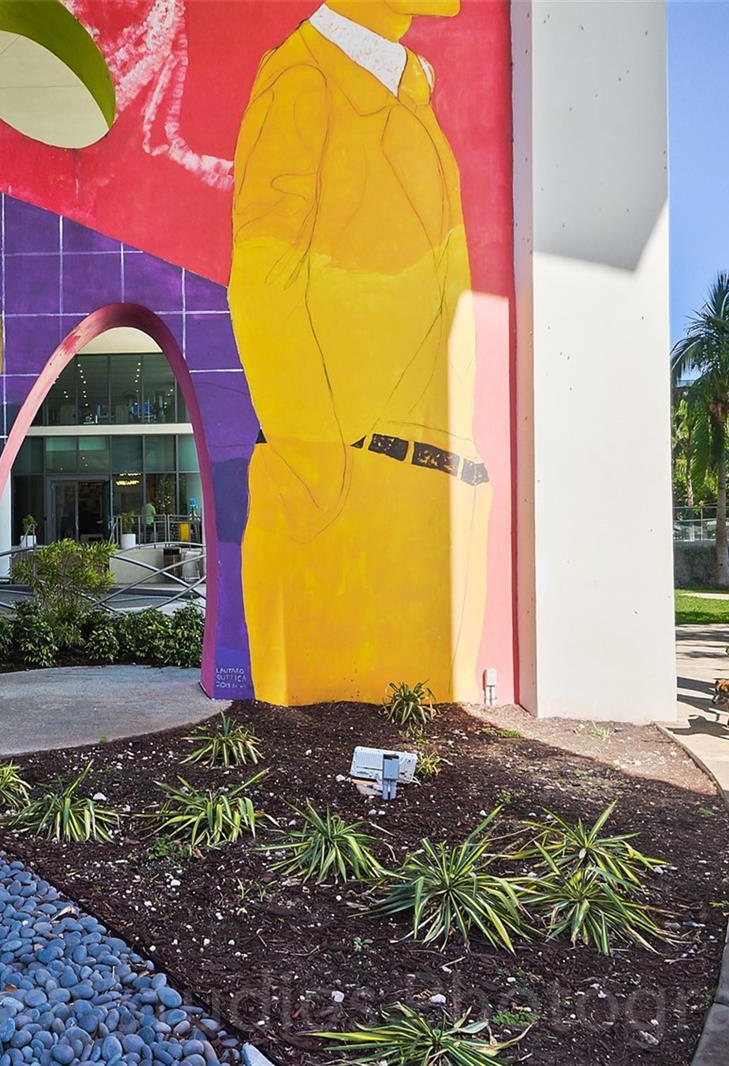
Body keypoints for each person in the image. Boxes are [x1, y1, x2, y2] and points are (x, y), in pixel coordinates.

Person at [229, 0, 490, 704]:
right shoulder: (304, 79)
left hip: (426, 483)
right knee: (325, 716)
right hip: (350, 490)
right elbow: (262, 284)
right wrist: (317, 465)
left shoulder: (404, 85)